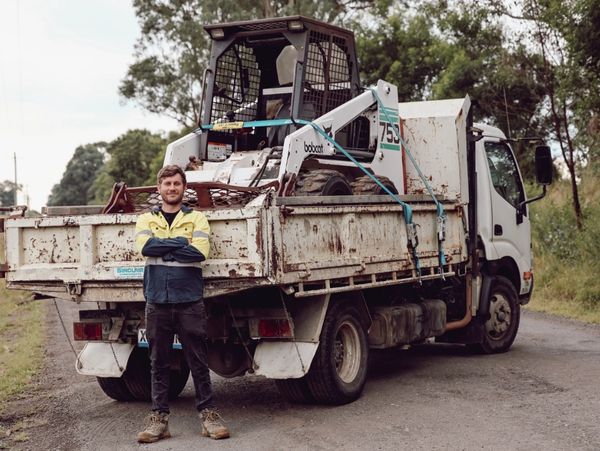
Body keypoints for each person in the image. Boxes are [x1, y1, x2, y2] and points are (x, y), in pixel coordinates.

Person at [134, 164, 229, 443]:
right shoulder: (145, 219)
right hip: (157, 300)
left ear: (183, 187)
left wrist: (165, 243)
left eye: (177, 183)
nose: (172, 188)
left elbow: (199, 252)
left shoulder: (197, 218)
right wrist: (179, 243)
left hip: (188, 299)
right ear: (159, 188)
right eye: (167, 184)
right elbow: (146, 248)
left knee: (198, 360)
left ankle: (209, 416)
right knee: (158, 362)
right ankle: (159, 420)